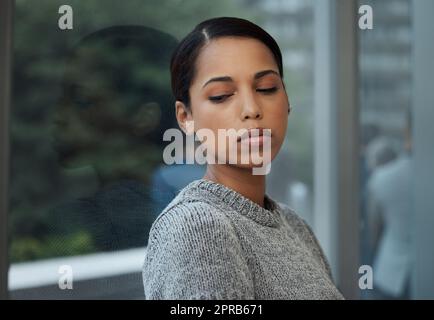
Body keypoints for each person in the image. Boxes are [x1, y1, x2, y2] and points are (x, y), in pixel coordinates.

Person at [142, 17, 344, 299]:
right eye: (221, 95)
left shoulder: (294, 225)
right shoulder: (198, 227)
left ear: (287, 102)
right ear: (186, 118)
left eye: (266, 88)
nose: (251, 108)